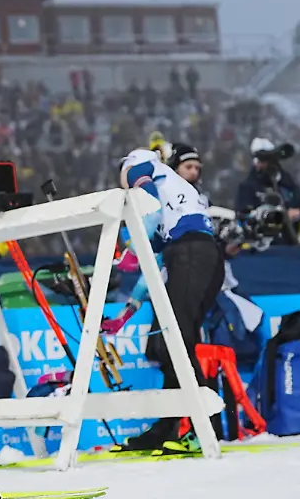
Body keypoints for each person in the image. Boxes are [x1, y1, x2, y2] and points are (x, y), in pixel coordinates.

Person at [111, 147, 224, 453]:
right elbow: (151, 264)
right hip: (191, 256)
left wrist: (128, 251)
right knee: (165, 346)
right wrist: (127, 311)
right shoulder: (165, 193)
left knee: (177, 343)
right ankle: (168, 427)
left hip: (193, 253)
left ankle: (207, 428)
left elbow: (146, 214)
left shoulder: (138, 165)